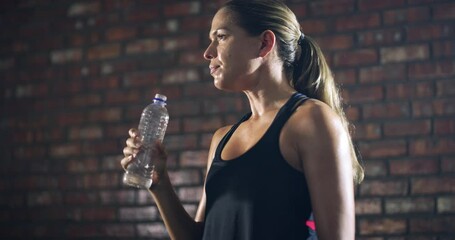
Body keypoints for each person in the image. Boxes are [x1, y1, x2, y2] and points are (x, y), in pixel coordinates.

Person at [121, 0, 364, 239]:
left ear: (264, 43)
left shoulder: (312, 121)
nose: (208, 52)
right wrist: (160, 184)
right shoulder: (222, 139)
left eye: (222, 36)